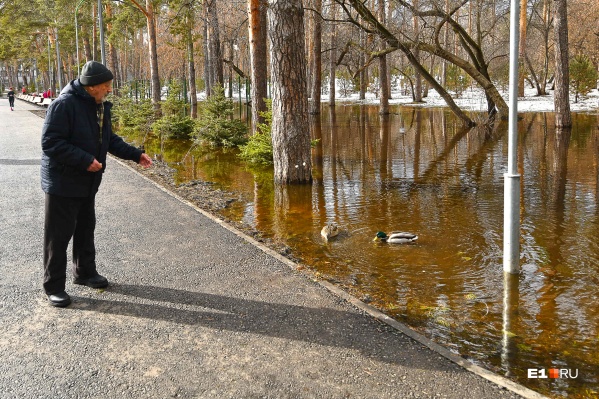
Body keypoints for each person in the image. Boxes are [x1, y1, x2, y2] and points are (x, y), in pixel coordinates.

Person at [41, 61, 152, 307]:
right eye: (106, 86)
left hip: (88, 181)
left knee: (85, 228)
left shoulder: (99, 105)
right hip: (62, 183)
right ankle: (54, 287)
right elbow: (50, 142)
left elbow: (108, 139)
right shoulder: (63, 105)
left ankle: (85, 273)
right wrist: (84, 160)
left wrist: (135, 154)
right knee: (58, 237)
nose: (109, 90)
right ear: (91, 87)